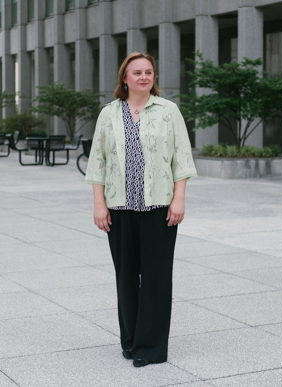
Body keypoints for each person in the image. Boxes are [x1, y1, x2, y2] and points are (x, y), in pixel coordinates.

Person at [85, 52, 197, 368]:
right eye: (137, 73)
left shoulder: (168, 111)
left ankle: (150, 347)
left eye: (149, 72)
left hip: (159, 207)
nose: (144, 77)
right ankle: (131, 340)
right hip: (119, 207)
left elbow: (182, 157)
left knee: (157, 278)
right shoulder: (108, 114)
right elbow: (98, 162)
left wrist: (179, 199)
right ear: (125, 78)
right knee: (126, 277)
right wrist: (99, 205)